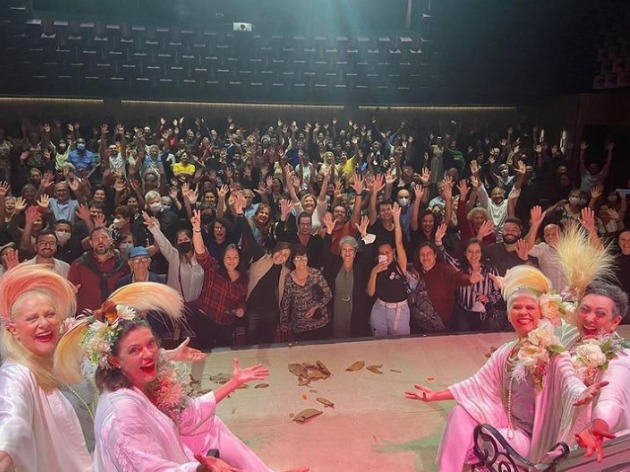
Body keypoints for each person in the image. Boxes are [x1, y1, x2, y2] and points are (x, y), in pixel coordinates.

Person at [54, 283, 281, 472]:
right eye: (134, 350)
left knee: (212, 427)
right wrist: (200, 469)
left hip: (181, 455)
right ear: (113, 360)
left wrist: (232, 382)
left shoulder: (137, 382)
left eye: (151, 344)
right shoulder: (123, 413)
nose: (148, 354)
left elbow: (188, 413)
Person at [406, 265, 606, 471]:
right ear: (509, 315)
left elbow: (568, 378)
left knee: (483, 437)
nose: (523, 312)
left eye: (530, 308)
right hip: (505, 420)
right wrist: (435, 396)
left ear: (540, 314)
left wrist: (581, 393)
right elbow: (475, 384)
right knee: (460, 413)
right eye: (517, 307)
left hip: (530, 439)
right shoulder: (506, 351)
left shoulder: (552, 350)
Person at [0, 265, 92, 471]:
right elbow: (12, 423)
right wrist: (4, 453)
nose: (44, 323)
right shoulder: (15, 373)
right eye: (32, 318)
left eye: (50, 314)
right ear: (13, 330)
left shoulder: (65, 357)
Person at [192, 209, 248, 349]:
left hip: (226, 325)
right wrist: (197, 230)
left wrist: (241, 309)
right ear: (223, 257)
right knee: (204, 357)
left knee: (223, 360)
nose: (231, 261)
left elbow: (241, 302)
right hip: (205, 321)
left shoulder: (242, 279)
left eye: (235, 258)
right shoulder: (213, 267)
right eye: (228, 257)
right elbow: (200, 251)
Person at [322, 213, 374, 339]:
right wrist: (329, 232)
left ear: (355, 252)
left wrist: (364, 235)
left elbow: (369, 253)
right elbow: (325, 253)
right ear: (340, 252)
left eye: (351, 250)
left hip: (357, 308)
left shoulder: (360, 265)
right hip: (337, 307)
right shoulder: (335, 264)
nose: (347, 253)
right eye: (344, 249)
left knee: (355, 337)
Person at [367, 203, 409, 337]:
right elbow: (370, 293)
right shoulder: (377, 268)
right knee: (378, 343)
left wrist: (396, 219)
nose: (385, 255)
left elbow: (399, 243)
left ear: (393, 252)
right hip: (379, 308)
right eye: (382, 253)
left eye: (388, 252)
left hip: (399, 310)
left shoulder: (399, 265)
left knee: (400, 345)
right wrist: (374, 272)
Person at [280, 245, 332, 341]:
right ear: (293, 261)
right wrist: (284, 322)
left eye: (304, 258)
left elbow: (328, 294)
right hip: (300, 326)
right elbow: (286, 301)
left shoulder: (315, 274)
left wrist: (316, 307)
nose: (301, 262)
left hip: (319, 322)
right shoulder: (289, 278)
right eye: (298, 258)